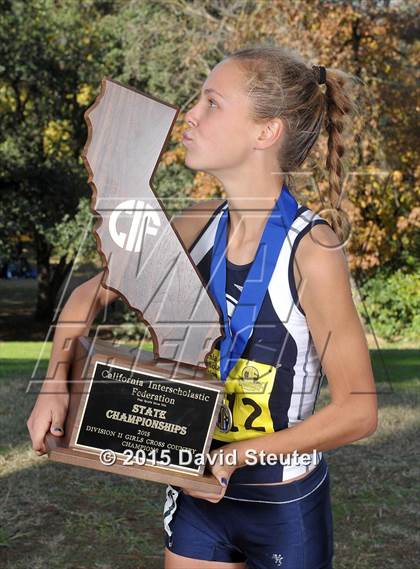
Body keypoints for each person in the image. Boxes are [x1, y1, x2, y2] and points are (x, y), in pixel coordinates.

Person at [27, 44, 377, 569]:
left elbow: (359, 410)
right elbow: (88, 295)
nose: (190, 114)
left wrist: (236, 455)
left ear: (266, 132)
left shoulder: (313, 251)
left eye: (212, 102)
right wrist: (55, 382)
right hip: (197, 495)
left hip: (281, 503)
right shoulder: (199, 221)